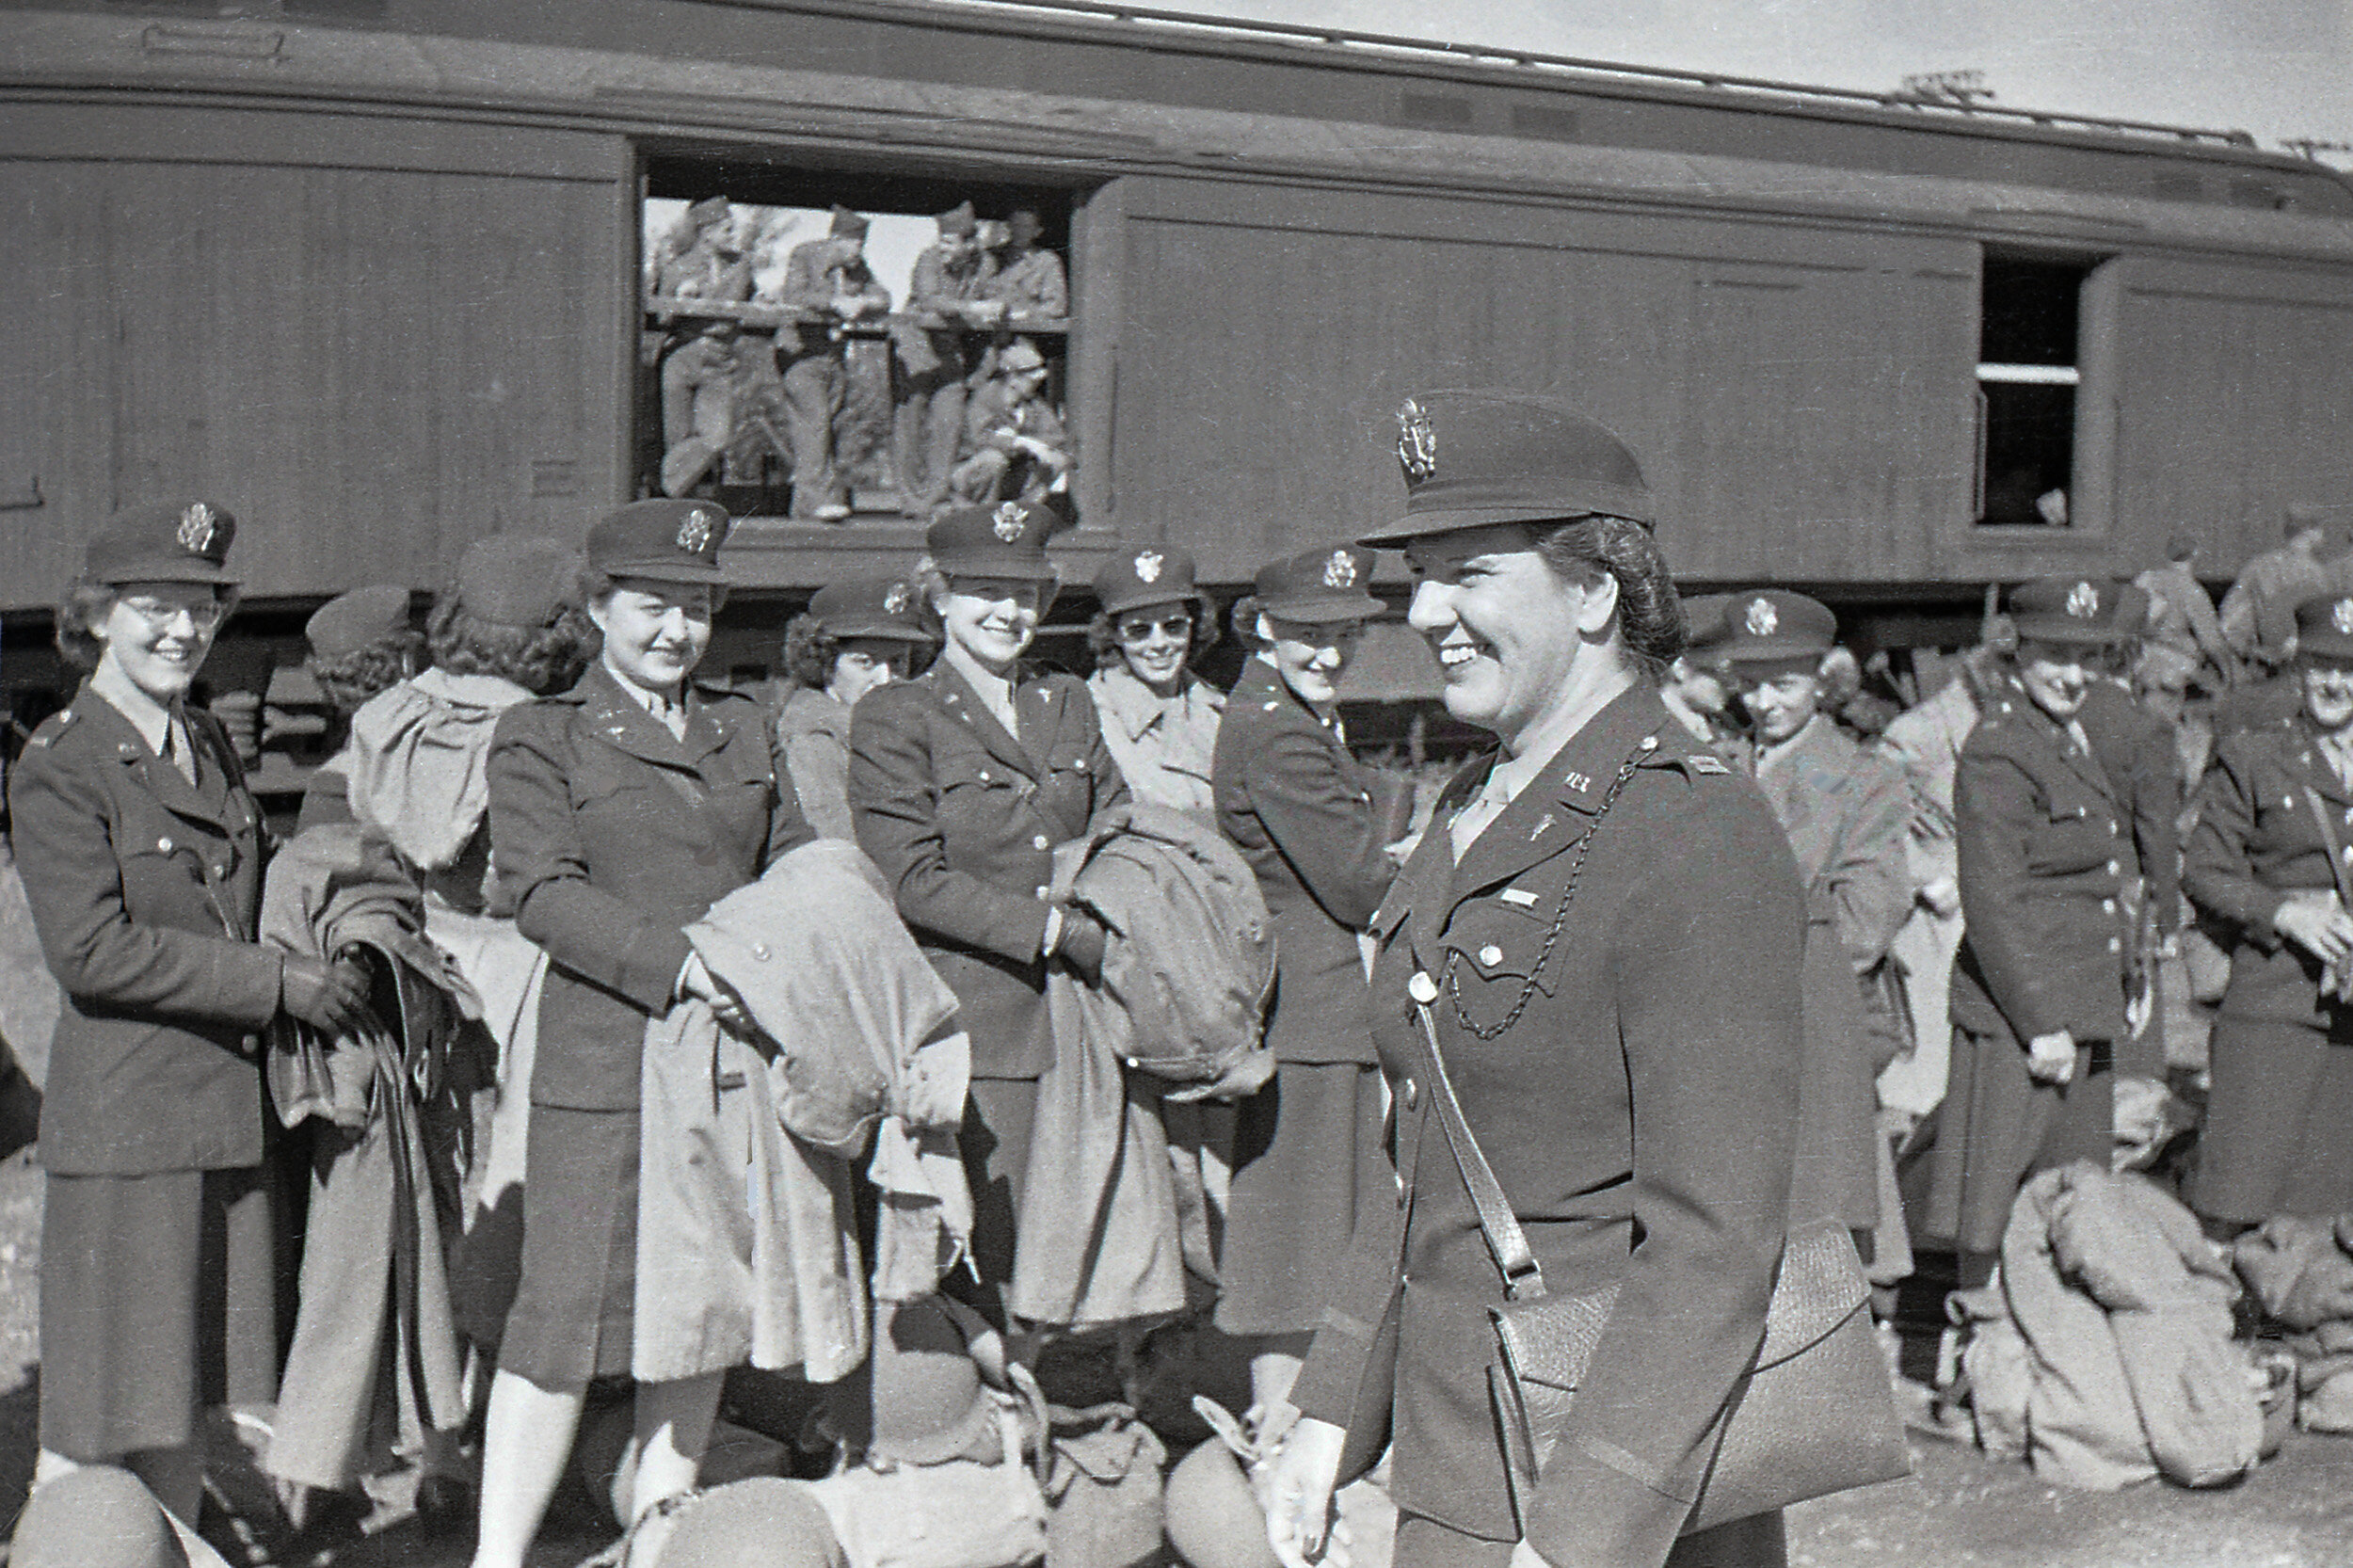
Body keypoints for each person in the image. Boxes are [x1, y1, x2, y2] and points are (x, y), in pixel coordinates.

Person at [1266, 392, 1807, 1568]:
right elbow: (1424, 1156)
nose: (1422, 611)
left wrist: (1577, 1536)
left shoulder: (1692, 830)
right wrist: (1330, 1410)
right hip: (1462, 1463)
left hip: (1612, 1487)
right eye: (1421, 574)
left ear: (1593, 590)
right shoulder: (1476, 804)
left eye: (1467, 572)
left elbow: (1715, 1244)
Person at [9, 502, 373, 1524]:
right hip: (131, 1133)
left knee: (179, 1410)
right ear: (95, 618)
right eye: (153, 608)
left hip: (219, 1120)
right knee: (93, 1425)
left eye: (202, 607)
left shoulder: (203, 736)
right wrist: (272, 980)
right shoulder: (61, 760)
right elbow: (90, 952)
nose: (182, 630)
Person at [471, 500, 815, 1568]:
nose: (676, 630)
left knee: (700, 1308)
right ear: (597, 606)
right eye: (653, 606)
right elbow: (540, 892)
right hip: (607, 1066)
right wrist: (684, 965)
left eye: (697, 606)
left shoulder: (747, 726)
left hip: (724, 1063)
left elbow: (800, 867)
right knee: (559, 1325)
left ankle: (658, 1539)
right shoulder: (543, 735)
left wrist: (778, 964)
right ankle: (496, 1556)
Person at [850, 501, 1128, 1313]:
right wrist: (1052, 930)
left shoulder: (1065, 699)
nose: (1010, 612)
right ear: (938, 598)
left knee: (1064, 1242)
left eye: (1026, 591)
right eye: (984, 591)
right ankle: (963, 1419)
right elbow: (910, 878)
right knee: (978, 1251)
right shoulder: (897, 715)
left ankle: (1032, 1414)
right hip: (973, 1022)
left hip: (1076, 1016)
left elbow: (1115, 816)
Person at [1210, 544, 1411, 1439]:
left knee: (1317, 1238)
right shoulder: (1278, 728)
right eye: (1307, 635)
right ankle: (1276, 1436)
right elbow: (1360, 885)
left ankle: (1300, 1436)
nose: (1329, 653)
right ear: (1263, 628)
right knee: (1298, 1247)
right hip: (1312, 1016)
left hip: (1318, 1008)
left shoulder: (1281, 712)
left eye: (1344, 633)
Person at [1923, 577, 2141, 1289]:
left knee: (2072, 1191)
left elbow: (2099, 872)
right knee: (1987, 1198)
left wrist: (2128, 977)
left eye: (2090, 657)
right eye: (2055, 654)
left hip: (2080, 1004)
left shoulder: (2062, 737)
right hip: (2025, 1016)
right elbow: (1993, 900)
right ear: (2018, 651)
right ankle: (1971, 1344)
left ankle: (2045, 1349)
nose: (2074, 674)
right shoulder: (2001, 749)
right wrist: (2041, 1022)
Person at [1717, 591, 1913, 1259]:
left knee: (1814, 1222)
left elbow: (1864, 920)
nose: (1764, 703)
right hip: (1709, 1026)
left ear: (1822, 681)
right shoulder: (1707, 766)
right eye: (1749, 686)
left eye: (1784, 685)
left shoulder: (1867, 780)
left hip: (1813, 1023)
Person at [2182, 590, 2353, 1240]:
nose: (2336, 682)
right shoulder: (2255, 758)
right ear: (2298, 667)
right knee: (2241, 1192)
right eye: (2322, 665)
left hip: (2350, 1017)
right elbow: (2202, 871)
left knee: (2332, 1196)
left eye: (2351, 668)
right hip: (2275, 995)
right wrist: (2283, 913)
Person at [772, 576, 935, 840]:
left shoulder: (913, 727)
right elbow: (838, 842)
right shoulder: (813, 740)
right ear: (824, 664)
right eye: (865, 663)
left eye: (898, 661)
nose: (885, 678)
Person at [1085, 544, 1224, 822]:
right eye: (1139, 631)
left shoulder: (1219, 707)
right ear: (1115, 636)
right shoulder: (1092, 716)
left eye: (1173, 627)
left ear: (1193, 627)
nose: (1159, 644)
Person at [776, 206, 891, 520]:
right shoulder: (805, 255)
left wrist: (864, 301)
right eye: (856, 244)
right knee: (813, 425)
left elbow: (884, 297)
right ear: (837, 239)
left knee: (829, 430)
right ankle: (814, 502)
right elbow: (794, 294)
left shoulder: (857, 268)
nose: (860, 252)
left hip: (833, 358)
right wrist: (833, 303)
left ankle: (808, 507)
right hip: (801, 354)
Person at [892, 201, 1001, 515]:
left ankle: (936, 499)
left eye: (949, 242)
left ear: (970, 243)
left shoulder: (985, 264)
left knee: (949, 424)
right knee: (910, 425)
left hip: (950, 349)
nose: (942, 248)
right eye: (941, 240)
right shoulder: (928, 259)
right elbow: (930, 300)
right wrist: (976, 309)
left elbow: (994, 295)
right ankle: (911, 501)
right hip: (914, 346)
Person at [656, 197, 755, 498]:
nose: (732, 235)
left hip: (720, 357)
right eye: (727, 229)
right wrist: (680, 301)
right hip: (683, 355)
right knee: (678, 438)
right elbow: (661, 316)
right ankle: (681, 505)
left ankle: (669, 488)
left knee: (718, 438)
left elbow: (750, 300)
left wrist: (761, 302)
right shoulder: (678, 267)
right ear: (706, 232)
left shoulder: (741, 266)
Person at [949, 340, 1069, 507]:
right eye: (1031, 379)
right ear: (1013, 377)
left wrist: (1037, 446)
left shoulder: (1034, 404)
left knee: (1056, 460)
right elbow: (981, 439)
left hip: (1013, 472)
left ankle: (1024, 511)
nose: (1037, 383)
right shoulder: (986, 398)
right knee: (994, 459)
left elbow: (1056, 437)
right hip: (972, 472)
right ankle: (980, 511)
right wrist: (1019, 442)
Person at [2220, 503, 2333, 667]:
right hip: (2300, 663)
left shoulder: (2258, 566)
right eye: (2321, 529)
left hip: (2261, 659)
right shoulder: (2318, 575)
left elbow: (2229, 618)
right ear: (2310, 531)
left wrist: (2250, 651)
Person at [2136, 531, 2234, 690]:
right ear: (2196, 554)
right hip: (2176, 662)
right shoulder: (2192, 590)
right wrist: (2229, 675)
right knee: (2216, 690)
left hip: (2141, 657)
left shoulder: (2145, 580)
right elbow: (2211, 642)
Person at [981, 208, 1067, 322]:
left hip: (1025, 330)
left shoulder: (1046, 261)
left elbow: (1056, 306)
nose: (1019, 231)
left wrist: (1022, 315)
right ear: (1008, 227)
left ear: (1038, 231)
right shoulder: (990, 256)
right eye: (1015, 225)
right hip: (985, 328)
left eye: (1026, 227)